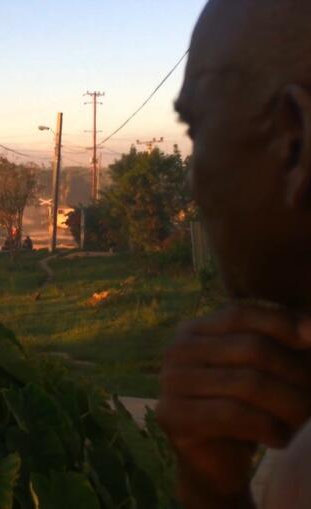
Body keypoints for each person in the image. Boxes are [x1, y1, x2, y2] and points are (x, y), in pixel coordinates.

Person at [157, 1, 311, 507]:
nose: (191, 181)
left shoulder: (301, 475)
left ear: (294, 142)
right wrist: (212, 482)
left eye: (196, 130)